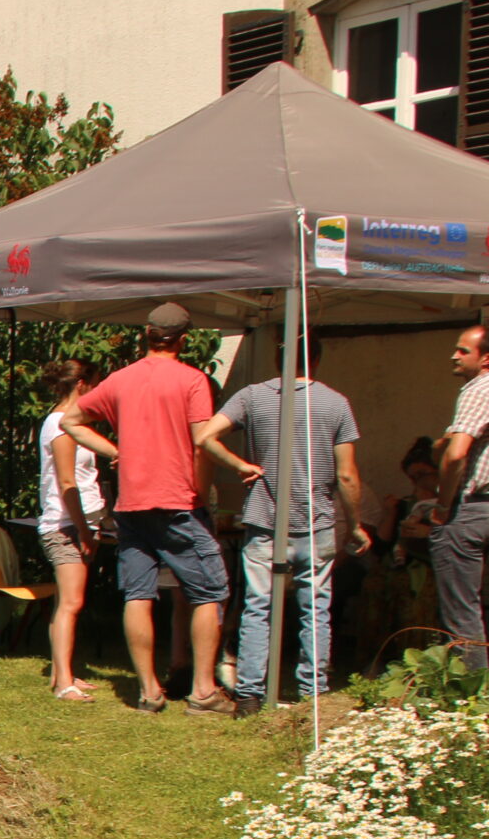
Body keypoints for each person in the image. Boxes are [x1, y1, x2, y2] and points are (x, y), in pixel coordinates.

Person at [60, 301, 230, 713]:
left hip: (132, 502)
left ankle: (149, 691)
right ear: (184, 341)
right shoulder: (192, 380)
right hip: (177, 501)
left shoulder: (121, 380)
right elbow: (202, 443)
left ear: (146, 336)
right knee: (210, 591)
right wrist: (203, 494)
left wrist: (112, 450)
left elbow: (70, 420)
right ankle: (204, 691)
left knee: (138, 593)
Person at [195, 338, 366, 715]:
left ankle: (250, 694)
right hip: (317, 521)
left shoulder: (253, 396)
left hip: (265, 520)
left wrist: (240, 465)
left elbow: (204, 436)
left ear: (277, 356)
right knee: (315, 610)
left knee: (258, 607)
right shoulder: (336, 403)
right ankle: (313, 693)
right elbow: (348, 475)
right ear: (318, 358)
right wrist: (354, 525)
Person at [429, 326, 489, 670]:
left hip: (466, 509)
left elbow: (454, 455)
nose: (454, 355)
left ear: (487, 358)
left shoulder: (477, 391)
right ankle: (469, 690)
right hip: (488, 509)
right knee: (465, 606)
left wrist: (441, 507)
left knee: (459, 614)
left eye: (463, 350)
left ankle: (470, 698)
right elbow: (449, 444)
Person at [35, 357, 107, 701]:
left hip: (75, 524)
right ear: (82, 385)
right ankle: (64, 683)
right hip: (64, 526)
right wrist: (83, 530)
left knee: (67, 602)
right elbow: (67, 482)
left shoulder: (69, 423)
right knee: (72, 603)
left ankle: (62, 672)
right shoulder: (61, 425)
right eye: (95, 384)